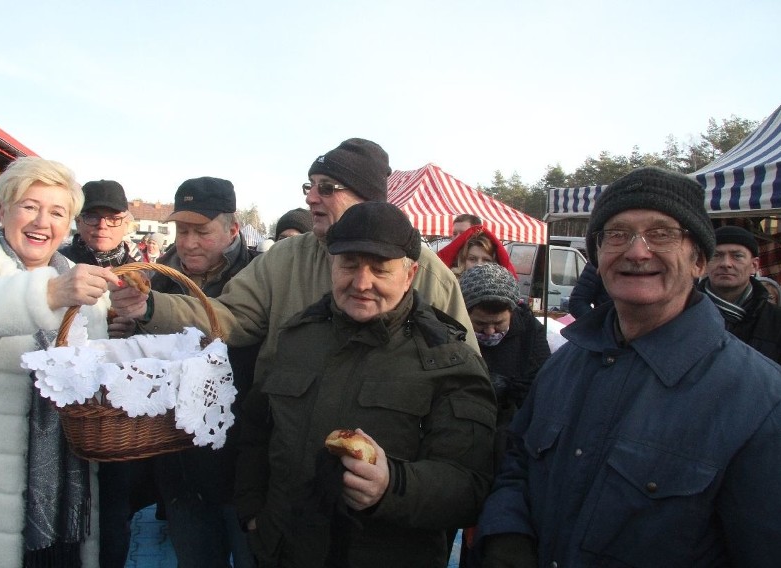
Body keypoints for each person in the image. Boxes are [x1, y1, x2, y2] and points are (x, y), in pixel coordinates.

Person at [475, 166, 781, 567]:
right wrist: (506, 534)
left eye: (662, 234)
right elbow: (518, 460)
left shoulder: (760, 401)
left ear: (698, 260)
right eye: (617, 234)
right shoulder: (564, 363)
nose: (637, 251)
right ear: (599, 257)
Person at [234, 202, 497, 567]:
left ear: (410, 275)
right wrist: (252, 510)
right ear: (332, 265)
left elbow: (471, 486)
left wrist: (393, 485)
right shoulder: (296, 337)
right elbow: (256, 430)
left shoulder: (449, 361)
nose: (361, 283)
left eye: (379, 269)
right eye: (350, 265)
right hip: (281, 552)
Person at [109, 138, 478, 387]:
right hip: (285, 442)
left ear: (366, 198)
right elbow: (230, 316)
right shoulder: (285, 258)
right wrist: (151, 305)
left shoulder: (423, 271)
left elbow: (464, 373)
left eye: (327, 188)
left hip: (382, 462)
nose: (311, 197)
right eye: (310, 185)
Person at [0, 157, 118, 567]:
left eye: (56, 212)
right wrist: (46, 296)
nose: (41, 222)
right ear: (3, 211)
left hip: (65, 483)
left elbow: (94, 377)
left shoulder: (84, 284)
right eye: (29, 206)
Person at [150, 176, 257, 568]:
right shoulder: (158, 276)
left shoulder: (259, 274)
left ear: (231, 229)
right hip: (179, 466)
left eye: (201, 231)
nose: (189, 242)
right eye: (182, 230)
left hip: (244, 464)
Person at [59, 178, 153, 567]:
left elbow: (164, 336)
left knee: (115, 508)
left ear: (128, 222)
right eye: (92, 217)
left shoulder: (147, 272)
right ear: (79, 221)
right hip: (68, 407)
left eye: (112, 219)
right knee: (64, 498)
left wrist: (137, 327)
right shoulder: (59, 265)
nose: (102, 227)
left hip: (120, 414)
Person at [452, 263, 551, 567]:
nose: (491, 332)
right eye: (480, 326)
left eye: (499, 324)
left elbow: (539, 390)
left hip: (509, 449)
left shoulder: (532, 335)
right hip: (463, 443)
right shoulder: (450, 331)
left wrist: (506, 388)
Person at [698, 225, 781, 364]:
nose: (726, 264)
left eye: (737, 256)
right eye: (716, 255)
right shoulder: (680, 315)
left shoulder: (777, 321)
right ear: (706, 263)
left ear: (754, 265)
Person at [437, 224, 517, 279]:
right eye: (472, 259)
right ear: (463, 261)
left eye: (486, 260)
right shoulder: (450, 288)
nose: (479, 265)